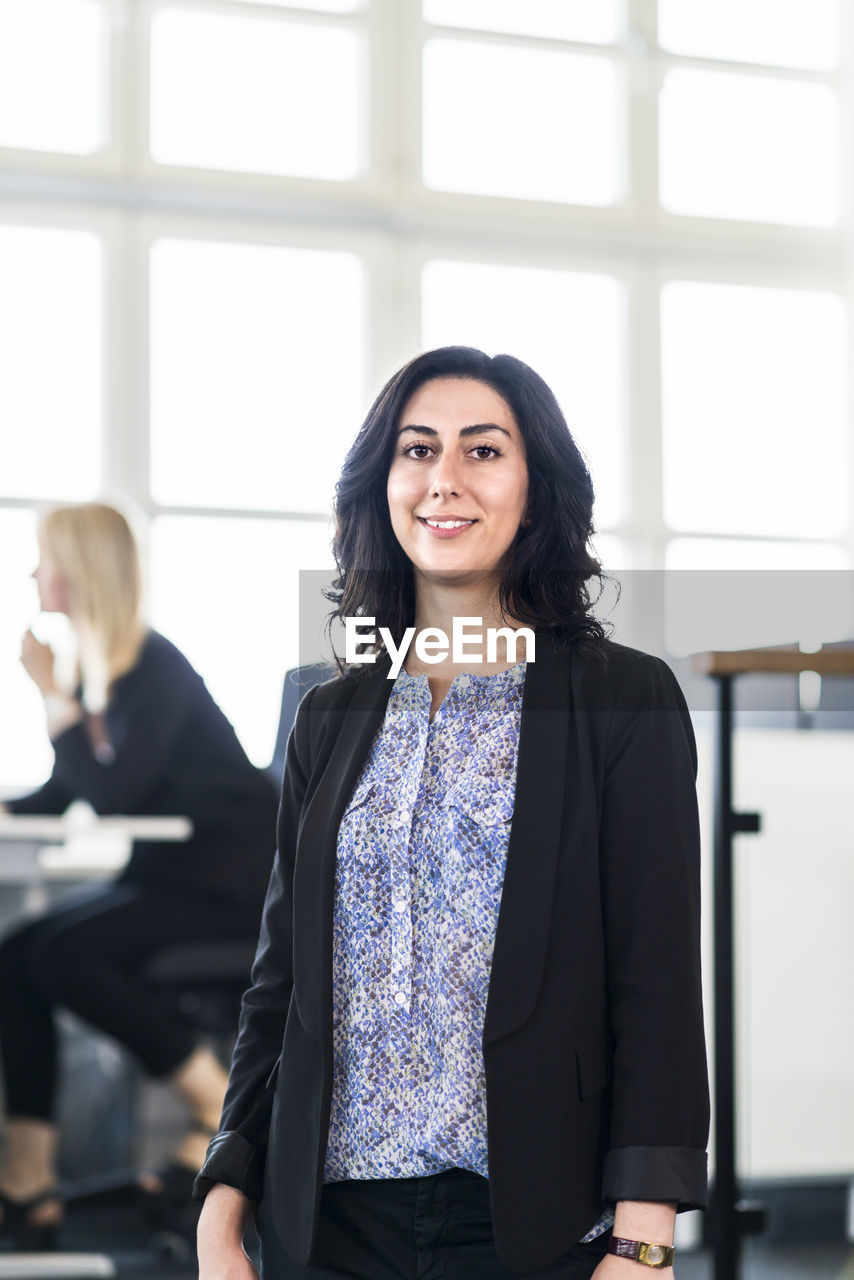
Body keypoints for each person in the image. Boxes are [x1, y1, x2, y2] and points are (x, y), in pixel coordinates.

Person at [194, 347, 710, 1279]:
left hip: (531, 1220)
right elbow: (282, 987)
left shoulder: (619, 699)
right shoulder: (329, 712)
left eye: (483, 451)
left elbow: (658, 981)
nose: (444, 481)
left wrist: (645, 1237)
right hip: (328, 1222)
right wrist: (224, 1195)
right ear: (380, 484)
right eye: (417, 449)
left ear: (534, 483)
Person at [0, 501, 279, 1250]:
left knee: (61, 954)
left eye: (44, 558)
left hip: (231, 886)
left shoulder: (152, 665)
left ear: (78, 572)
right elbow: (68, 791)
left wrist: (49, 695)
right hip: (169, 875)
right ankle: (26, 1181)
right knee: (17, 954)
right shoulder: (103, 666)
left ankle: (214, 1105)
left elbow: (114, 792)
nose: (32, 572)